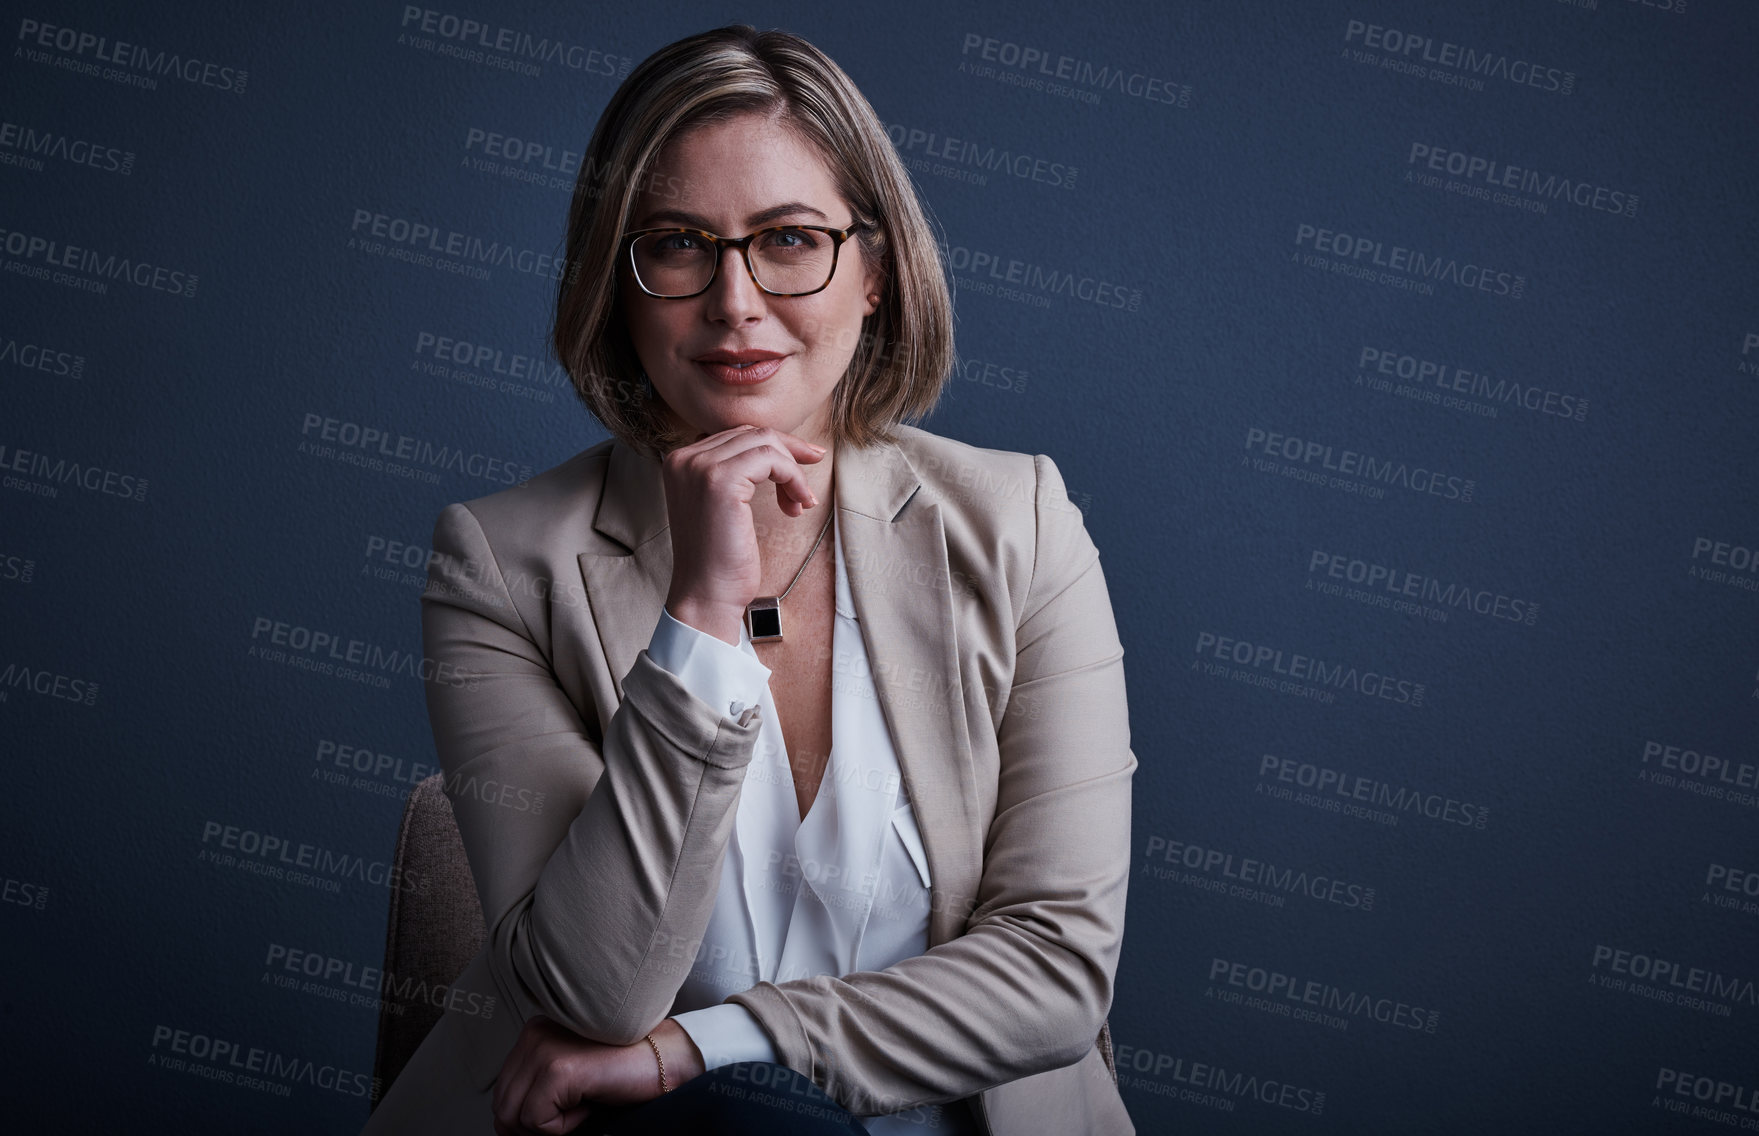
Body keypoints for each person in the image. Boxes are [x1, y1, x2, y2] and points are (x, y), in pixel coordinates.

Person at [361, 23, 1137, 1136]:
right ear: (615, 288)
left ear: (874, 273)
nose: (735, 299)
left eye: (788, 239)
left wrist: (704, 1045)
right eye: (677, 244)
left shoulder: (1019, 525)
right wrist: (698, 621)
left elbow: (1056, 970)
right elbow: (591, 991)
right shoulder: (498, 560)